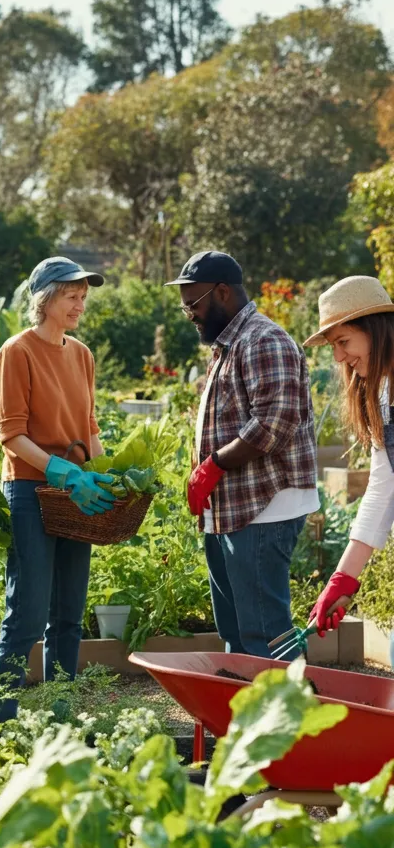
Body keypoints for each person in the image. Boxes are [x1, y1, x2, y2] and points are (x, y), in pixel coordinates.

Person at [167, 250, 318, 657]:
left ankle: (286, 720)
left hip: (265, 509)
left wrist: (213, 465)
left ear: (223, 293)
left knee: (265, 635)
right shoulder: (229, 345)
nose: (190, 314)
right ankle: (247, 719)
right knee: (235, 631)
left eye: (193, 304)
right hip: (233, 510)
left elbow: (274, 424)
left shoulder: (263, 340)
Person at [0, 257, 116, 724]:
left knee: (67, 612)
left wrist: (102, 472)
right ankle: (0, 722)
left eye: (84, 296)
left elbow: (90, 426)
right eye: (72, 296)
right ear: (45, 300)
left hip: (76, 494)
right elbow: (12, 436)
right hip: (31, 490)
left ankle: (61, 715)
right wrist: (62, 471)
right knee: (25, 611)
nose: (81, 304)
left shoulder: (81, 354)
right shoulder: (16, 353)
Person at [302, 276, 394, 650]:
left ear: (375, 330)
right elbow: (381, 491)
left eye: (343, 341)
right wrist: (342, 580)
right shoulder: (384, 397)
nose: (339, 357)